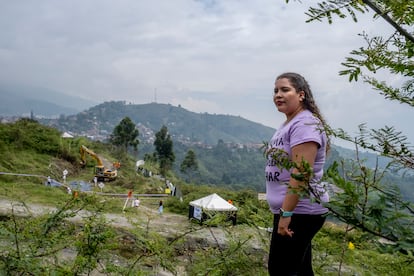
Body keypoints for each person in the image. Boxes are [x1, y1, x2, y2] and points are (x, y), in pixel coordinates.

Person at [265, 72, 330, 275]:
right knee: (299, 271)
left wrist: (286, 214)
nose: (278, 94)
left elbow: (301, 172)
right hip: (294, 211)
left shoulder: (304, 124)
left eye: (285, 89)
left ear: (301, 94)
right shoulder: (290, 123)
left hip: (299, 211)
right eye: (276, 90)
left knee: (281, 271)